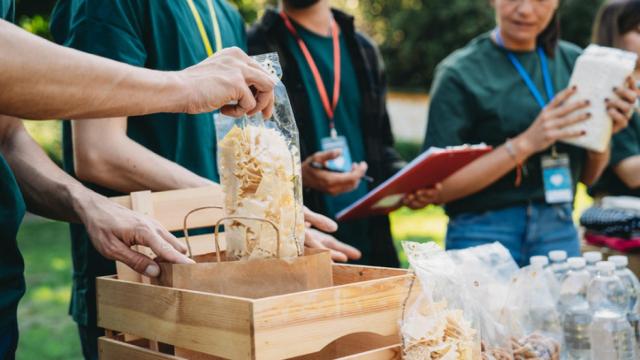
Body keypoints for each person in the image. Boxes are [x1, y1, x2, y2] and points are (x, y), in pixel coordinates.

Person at [49, 1, 359, 358]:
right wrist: (240, 207)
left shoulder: (226, 12)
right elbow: (98, 152)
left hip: (220, 277)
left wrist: (272, 216)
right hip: (140, 279)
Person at [419, 0, 637, 266]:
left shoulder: (575, 62)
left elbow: (588, 177)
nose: (525, 10)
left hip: (558, 226)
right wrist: (528, 142)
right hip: (482, 230)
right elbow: (439, 190)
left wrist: (604, 133)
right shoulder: (460, 73)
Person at [248, 0, 434, 267]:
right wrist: (301, 175)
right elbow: (247, 161)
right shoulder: (253, 46)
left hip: (371, 235)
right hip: (302, 242)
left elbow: (381, 144)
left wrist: (410, 181)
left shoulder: (363, 48)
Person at [0, 20, 276, 120]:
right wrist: (186, 86)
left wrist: (81, 200)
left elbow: (8, 136)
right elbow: (97, 152)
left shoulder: (228, 14)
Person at [589, 0, 640, 198]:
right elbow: (631, 173)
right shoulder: (608, 93)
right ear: (613, 34)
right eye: (638, 31)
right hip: (621, 219)